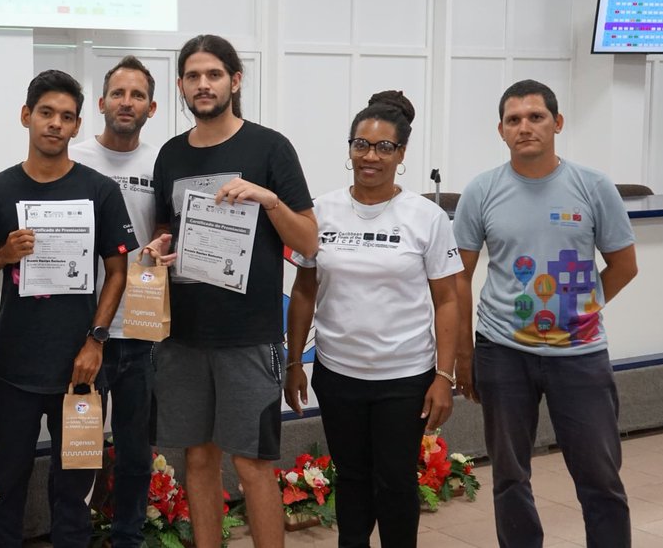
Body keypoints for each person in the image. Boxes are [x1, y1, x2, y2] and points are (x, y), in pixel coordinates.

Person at [453, 79, 638, 548]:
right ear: (501, 130)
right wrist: (465, 354)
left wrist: (581, 309)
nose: (525, 127)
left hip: (580, 355)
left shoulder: (592, 186)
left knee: (600, 477)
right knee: (509, 477)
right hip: (502, 352)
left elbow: (624, 265)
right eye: (513, 120)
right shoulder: (482, 190)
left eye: (536, 117)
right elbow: (459, 277)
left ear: (557, 123)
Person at [151, 34, 318, 548]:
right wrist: (158, 248)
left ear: (235, 80)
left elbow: (309, 239)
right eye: (194, 76)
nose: (204, 85)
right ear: (181, 85)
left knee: (253, 464)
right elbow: (166, 232)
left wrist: (269, 200)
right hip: (182, 337)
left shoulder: (269, 147)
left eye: (214, 75)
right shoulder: (170, 155)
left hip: (248, 337)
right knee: (197, 460)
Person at [0, 69, 137, 548]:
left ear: (78, 125)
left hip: (79, 370)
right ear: (26, 116)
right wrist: (4, 254)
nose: (55, 124)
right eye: (46, 113)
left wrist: (95, 341)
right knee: (4, 492)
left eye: (66, 117)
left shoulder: (100, 190)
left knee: (75, 497)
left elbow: (118, 271)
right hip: (12, 372)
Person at [285, 91, 461, 547]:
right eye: (361, 144)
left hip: (405, 377)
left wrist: (445, 374)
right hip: (338, 373)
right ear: (349, 148)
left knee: (396, 482)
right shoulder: (320, 211)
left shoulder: (426, 216)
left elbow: (447, 300)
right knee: (352, 478)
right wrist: (292, 362)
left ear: (401, 154)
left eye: (384, 147)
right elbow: (304, 290)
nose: (370, 156)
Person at [69, 55, 160, 548]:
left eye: (138, 95)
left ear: (152, 106)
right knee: (80, 447)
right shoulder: (75, 157)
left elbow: (168, 227)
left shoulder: (161, 162)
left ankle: (127, 537)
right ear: (102, 103)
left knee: (135, 452)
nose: (127, 102)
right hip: (83, 332)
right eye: (119, 94)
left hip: (142, 331)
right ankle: (75, 535)